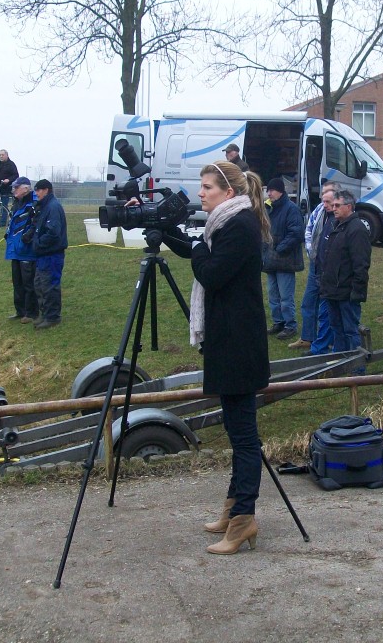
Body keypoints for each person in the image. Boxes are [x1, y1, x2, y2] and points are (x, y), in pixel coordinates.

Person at [158, 161, 271, 555]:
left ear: (228, 192)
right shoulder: (226, 224)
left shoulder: (240, 226)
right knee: (239, 433)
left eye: (207, 187)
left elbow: (211, 273)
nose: (200, 193)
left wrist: (194, 247)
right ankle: (234, 509)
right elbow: (202, 254)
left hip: (238, 346)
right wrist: (166, 232)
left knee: (244, 437)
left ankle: (243, 520)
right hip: (231, 342)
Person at [319, 190, 371, 360]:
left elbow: (361, 265)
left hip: (347, 293)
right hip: (332, 290)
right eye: (333, 205)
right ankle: (339, 363)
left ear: (349, 207)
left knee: (350, 330)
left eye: (337, 205)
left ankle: (357, 366)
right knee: (336, 328)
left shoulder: (357, 230)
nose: (333, 208)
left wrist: (356, 292)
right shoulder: (337, 225)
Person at [288, 181, 336, 351]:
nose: (324, 202)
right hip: (315, 265)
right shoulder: (319, 211)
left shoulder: (339, 216)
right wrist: (311, 253)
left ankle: (329, 340)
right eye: (323, 196)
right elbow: (309, 230)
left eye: (328, 198)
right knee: (308, 302)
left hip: (329, 269)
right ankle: (307, 337)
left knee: (327, 308)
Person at [262, 177, 305, 341]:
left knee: (286, 297)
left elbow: (296, 233)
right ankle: (278, 322)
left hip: (285, 260)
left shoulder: (291, 209)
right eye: (268, 190)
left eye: (272, 190)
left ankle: (290, 325)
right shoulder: (268, 208)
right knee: (273, 295)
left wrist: (280, 248)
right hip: (270, 260)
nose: (269, 193)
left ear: (280, 191)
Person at [24, 179, 68, 330]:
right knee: (40, 284)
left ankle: (53, 317)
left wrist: (38, 243)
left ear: (46, 190)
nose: (36, 193)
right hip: (43, 255)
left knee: (50, 285)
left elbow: (53, 232)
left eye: (38, 190)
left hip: (52, 254)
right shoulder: (44, 206)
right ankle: (45, 314)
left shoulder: (53, 207)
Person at [5, 176, 39, 323]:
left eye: (16, 187)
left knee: (28, 283)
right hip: (15, 249)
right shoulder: (16, 203)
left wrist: (28, 236)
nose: (14, 190)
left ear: (25, 188)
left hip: (27, 250)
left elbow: (36, 223)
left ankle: (31, 313)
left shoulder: (34, 203)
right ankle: (20, 311)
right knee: (17, 282)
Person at [0, 149, 19, 226]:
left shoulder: (11, 165)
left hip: (5, 189)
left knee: (4, 206)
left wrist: (8, 180)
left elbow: (15, 175)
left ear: (7, 155)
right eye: (0, 155)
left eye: (2, 155)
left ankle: (3, 223)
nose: (1, 156)